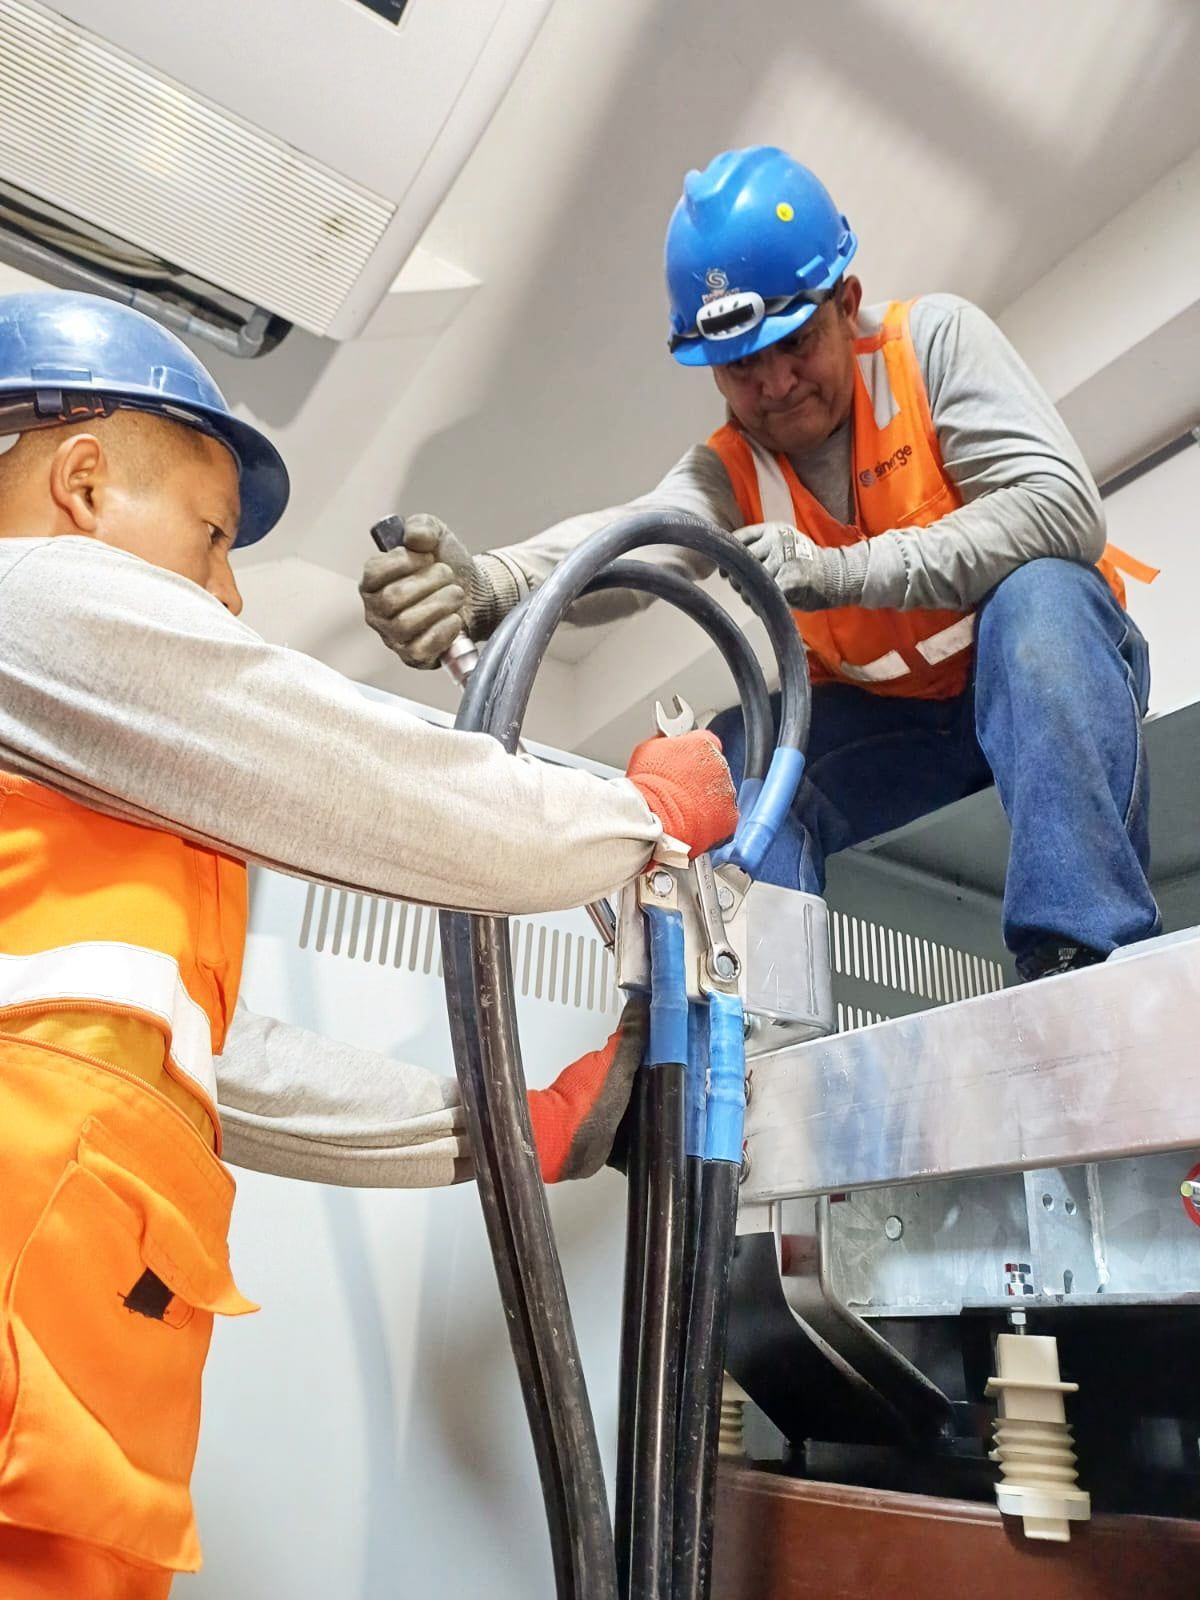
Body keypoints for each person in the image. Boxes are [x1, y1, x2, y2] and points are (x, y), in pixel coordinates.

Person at [0, 289, 739, 1599]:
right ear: (82, 483)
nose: (229, 596)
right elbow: (336, 767)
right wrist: (633, 818)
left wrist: (508, 1123)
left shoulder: (75, 808)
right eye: (215, 536)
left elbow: (220, 1068)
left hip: (78, 1396)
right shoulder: (26, 607)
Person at [361, 143, 1160, 982]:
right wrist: (489, 587)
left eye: (795, 344)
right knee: (737, 751)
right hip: (898, 734)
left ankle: (1080, 957)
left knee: (1040, 601)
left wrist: (844, 572)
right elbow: (642, 533)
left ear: (845, 302)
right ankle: (760, 1012)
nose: (775, 385)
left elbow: (1060, 506)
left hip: (1047, 687)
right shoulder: (732, 469)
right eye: (742, 366)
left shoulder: (932, 347)